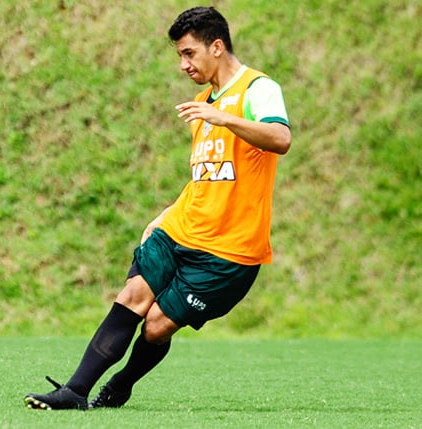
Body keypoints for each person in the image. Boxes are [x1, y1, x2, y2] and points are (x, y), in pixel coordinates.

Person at [24, 6, 291, 410]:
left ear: (216, 47)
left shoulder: (258, 89)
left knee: (156, 325)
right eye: (180, 56)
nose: (183, 64)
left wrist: (222, 117)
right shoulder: (203, 102)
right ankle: (73, 392)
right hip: (182, 229)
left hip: (229, 252)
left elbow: (280, 137)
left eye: (189, 53)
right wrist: (164, 216)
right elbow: (208, 178)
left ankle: (123, 383)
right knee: (132, 294)